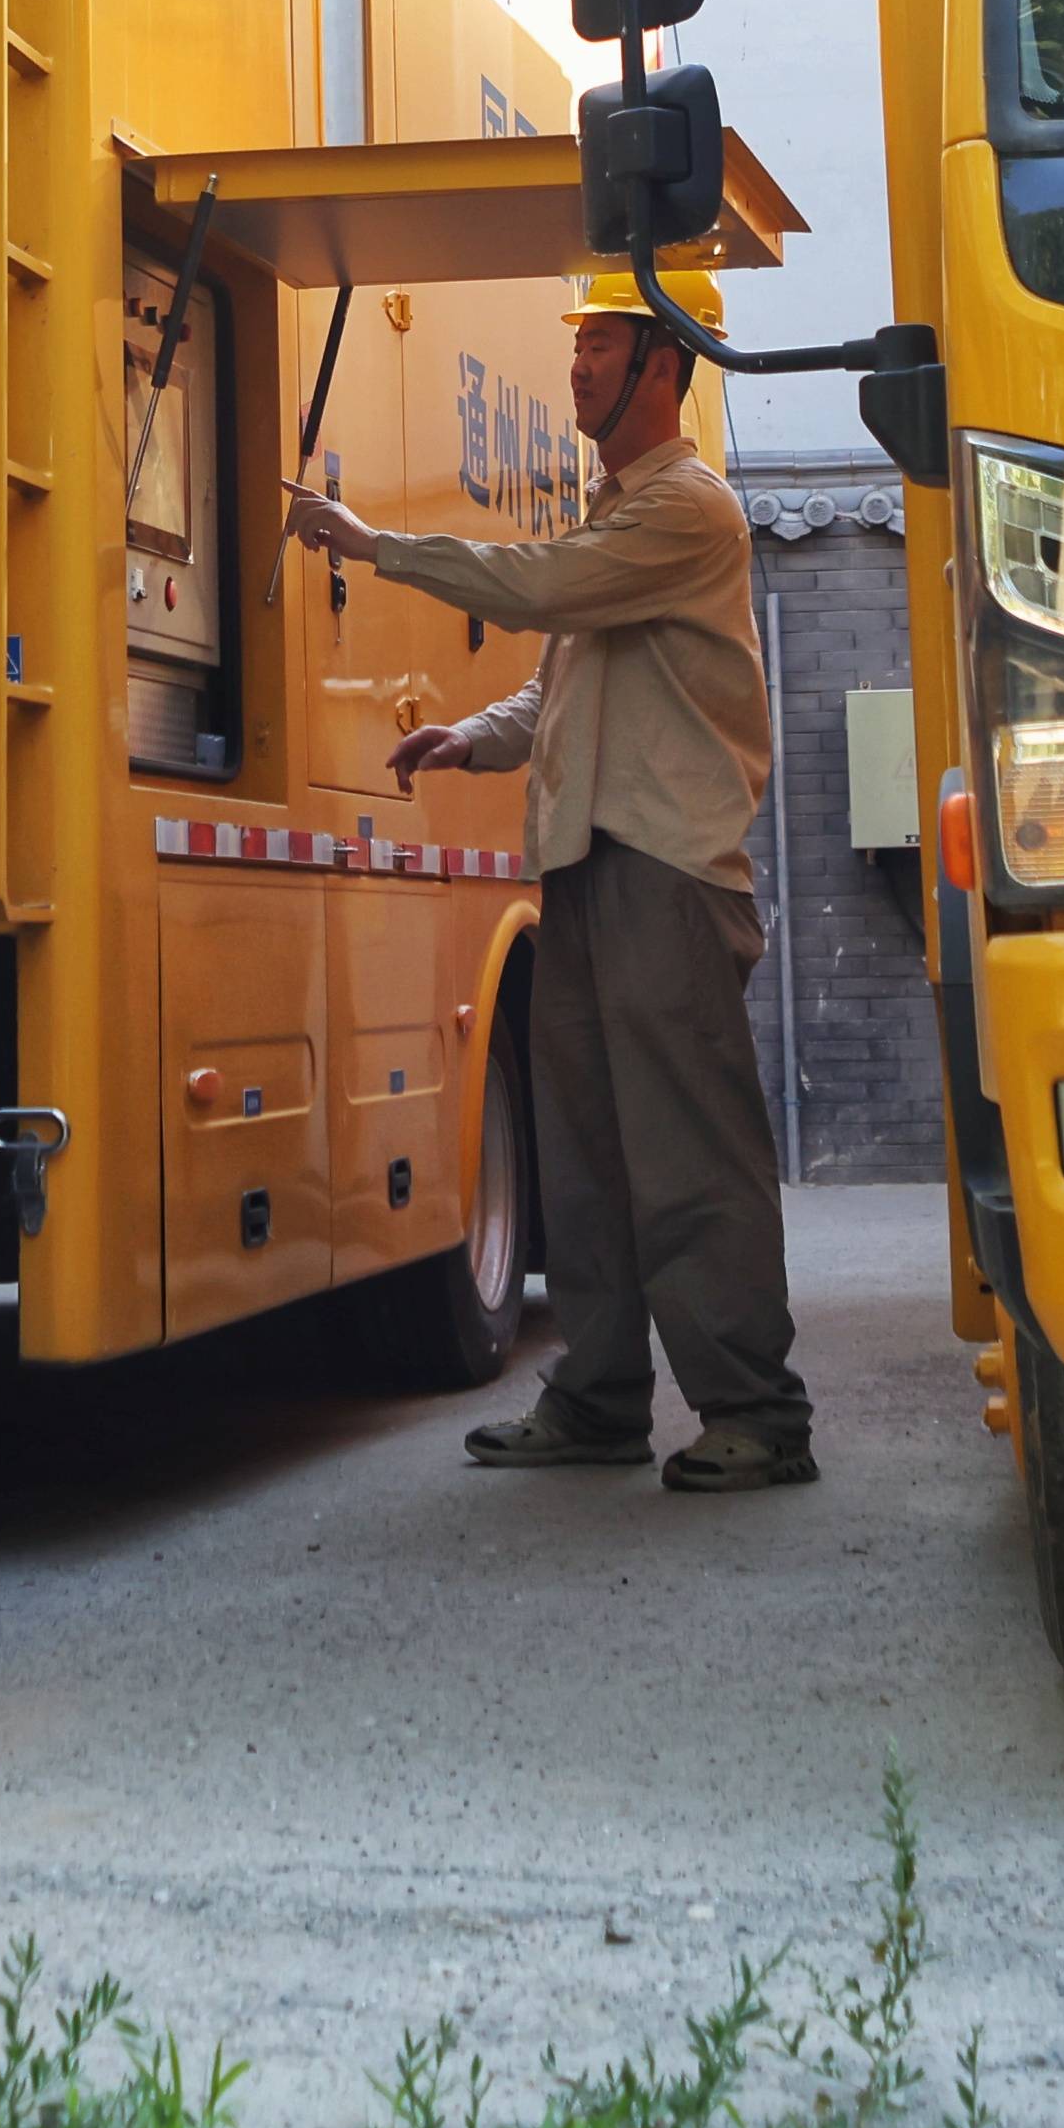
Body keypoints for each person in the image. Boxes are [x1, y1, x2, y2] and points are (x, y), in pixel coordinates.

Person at [284, 260, 807, 1492]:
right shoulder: (619, 512)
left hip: (665, 875)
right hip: (586, 865)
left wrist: (376, 546)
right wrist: (475, 736)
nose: (572, 365)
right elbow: (566, 674)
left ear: (662, 365)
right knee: (585, 1157)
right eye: (575, 346)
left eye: (597, 346)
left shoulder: (686, 510)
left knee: (687, 1156)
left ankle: (754, 1412)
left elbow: (541, 590)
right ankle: (598, 1399)